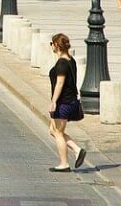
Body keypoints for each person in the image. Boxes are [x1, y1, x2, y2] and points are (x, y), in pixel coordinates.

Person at [46, 33, 87, 172]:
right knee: (53, 130)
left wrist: (53, 101)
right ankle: (77, 149)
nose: (51, 46)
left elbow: (60, 83)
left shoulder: (62, 63)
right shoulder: (71, 60)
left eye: (52, 43)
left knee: (58, 132)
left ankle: (64, 163)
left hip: (63, 102)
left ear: (57, 46)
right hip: (69, 101)